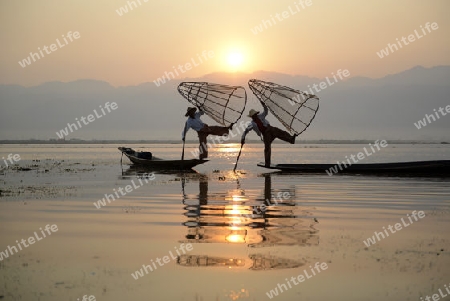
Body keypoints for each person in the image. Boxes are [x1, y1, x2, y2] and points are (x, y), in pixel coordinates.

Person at [241, 103, 297, 167]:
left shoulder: (261, 116)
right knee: (267, 148)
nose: (255, 116)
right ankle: (267, 163)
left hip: (270, 129)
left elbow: (266, 111)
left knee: (281, 133)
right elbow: (246, 131)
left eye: (255, 115)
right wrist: (243, 138)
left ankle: (291, 139)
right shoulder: (252, 124)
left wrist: (264, 105)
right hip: (265, 134)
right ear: (252, 117)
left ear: (256, 114)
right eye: (253, 116)